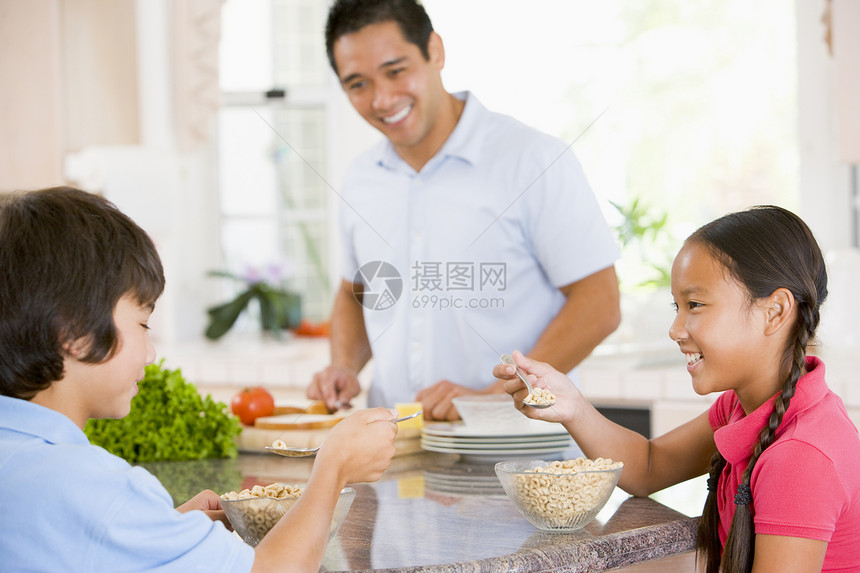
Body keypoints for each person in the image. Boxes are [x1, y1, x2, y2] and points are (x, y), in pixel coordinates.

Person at [0, 187, 399, 572]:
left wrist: (163, 532)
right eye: (143, 322)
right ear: (74, 332)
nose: (151, 352)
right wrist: (332, 468)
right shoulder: (96, 490)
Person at [495, 206, 860, 572]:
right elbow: (649, 466)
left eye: (695, 305)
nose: (675, 328)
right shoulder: (741, 407)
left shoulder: (800, 456)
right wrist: (571, 404)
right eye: (677, 306)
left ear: (775, 311)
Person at [307, 0, 621, 420]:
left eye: (396, 70)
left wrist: (495, 395)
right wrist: (345, 365)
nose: (382, 99)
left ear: (435, 51)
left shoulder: (531, 160)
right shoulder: (360, 179)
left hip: (523, 453)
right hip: (398, 452)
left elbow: (600, 303)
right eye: (358, 84)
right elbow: (356, 292)